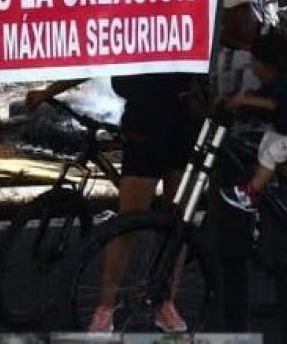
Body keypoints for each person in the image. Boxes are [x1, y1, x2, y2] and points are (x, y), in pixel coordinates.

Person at [25, 73, 205, 333]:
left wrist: (49, 91)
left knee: (176, 225)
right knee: (127, 224)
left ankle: (165, 302)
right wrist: (49, 90)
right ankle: (106, 308)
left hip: (182, 126)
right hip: (144, 127)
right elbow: (95, 55)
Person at [222, 32, 287, 212]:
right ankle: (262, 178)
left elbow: (271, 104)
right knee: (268, 141)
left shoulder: (282, 84)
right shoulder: (278, 83)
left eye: (254, 63)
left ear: (264, 65)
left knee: (272, 152)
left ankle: (251, 193)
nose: (252, 68)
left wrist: (242, 101)